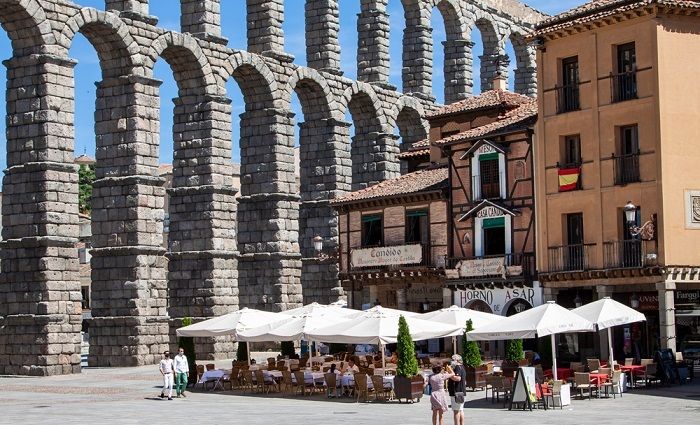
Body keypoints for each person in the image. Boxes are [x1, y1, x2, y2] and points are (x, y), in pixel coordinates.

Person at [447, 354, 467, 425]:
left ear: (457, 360)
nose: (451, 361)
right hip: (461, 391)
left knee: (456, 411)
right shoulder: (462, 366)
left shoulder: (457, 367)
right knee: (460, 410)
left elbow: (458, 378)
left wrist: (449, 375)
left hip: (457, 392)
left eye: (453, 359)